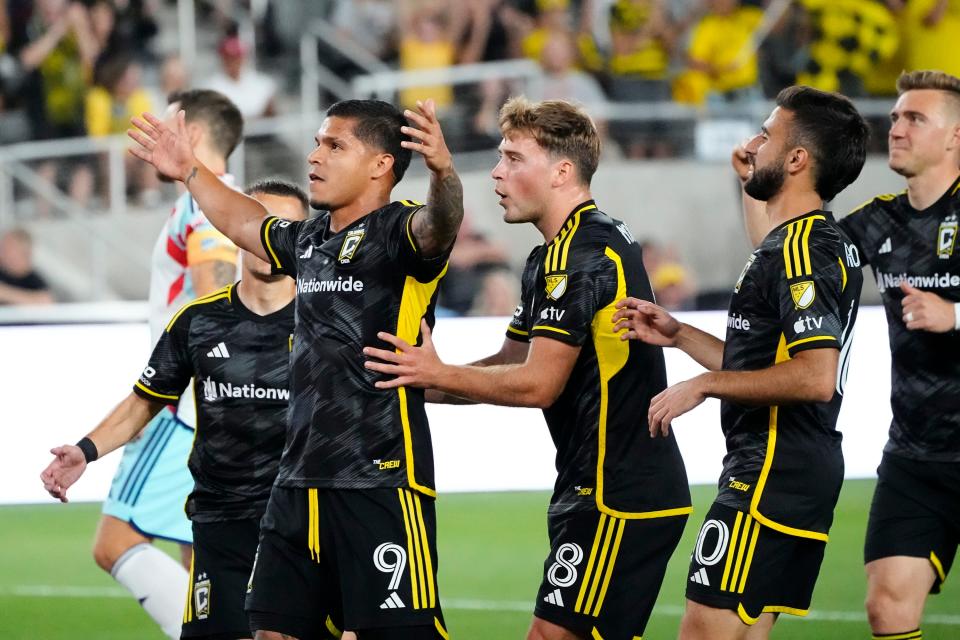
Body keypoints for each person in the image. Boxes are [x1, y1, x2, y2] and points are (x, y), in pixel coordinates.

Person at [128, 97, 463, 639]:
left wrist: (444, 173)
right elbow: (243, 221)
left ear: (381, 164)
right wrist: (191, 171)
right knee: (273, 631)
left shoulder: (398, 234)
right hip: (296, 482)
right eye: (316, 142)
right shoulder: (308, 240)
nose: (315, 156)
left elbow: (440, 223)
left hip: (377, 478)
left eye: (335, 145)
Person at [363, 97, 692, 640]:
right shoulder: (551, 255)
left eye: (514, 158)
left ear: (562, 172)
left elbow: (539, 384)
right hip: (597, 486)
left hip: (619, 492)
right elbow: (512, 362)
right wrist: (420, 381)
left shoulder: (584, 251)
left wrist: (436, 374)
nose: (496, 171)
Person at [616, 86, 868, 639]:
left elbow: (815, 375)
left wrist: (704, 384)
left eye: (767, 133)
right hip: (795, 464)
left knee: (704, 631)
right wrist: (680, 334)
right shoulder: (805, 242)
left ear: (797, 159)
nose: (753, 142)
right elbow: (761, 361)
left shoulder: (804, 250)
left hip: (771, 468)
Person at [41, 180, 311, 640]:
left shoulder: (327, 321)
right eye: (262, 225)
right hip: (220, 525)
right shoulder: (198, 321)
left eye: (286, 228)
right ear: (238, 230)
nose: (272, 239)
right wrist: (86, 451)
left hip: (302, 522)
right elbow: (146, 399)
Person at [94, 89, 243, 640]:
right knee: (200, 561)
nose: (152, 136)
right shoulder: (223, 199)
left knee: (115, 541)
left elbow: (217, 291)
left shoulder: (206, 201)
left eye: (165, 125)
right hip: (205, 407)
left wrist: (214, 389)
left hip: (183, 406)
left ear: (194, 136)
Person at [838, 70, 959, 640]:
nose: (897, 128)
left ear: (955, 138)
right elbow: (789, 257)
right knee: (887, 608)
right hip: (916, 453)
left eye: (916, 118)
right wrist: (756, 188)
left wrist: (955, 315)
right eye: (895, 117)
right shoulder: (878, 220)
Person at [0, 227, 54, 305]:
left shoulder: (35, 281)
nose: (3, 252)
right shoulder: (2, 273)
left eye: (9, 248)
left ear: (24, 252)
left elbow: (46, 302)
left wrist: (5, 293)